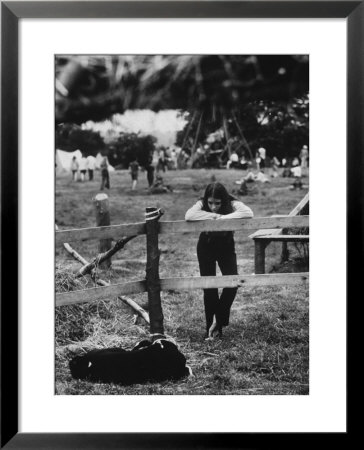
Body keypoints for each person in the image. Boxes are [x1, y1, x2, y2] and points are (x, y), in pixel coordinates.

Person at [185, 182, 253, 340]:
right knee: (209, 287)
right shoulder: (201, 202)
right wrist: (213, 216)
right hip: (206, 245)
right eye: (210, 203)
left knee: (233, 283)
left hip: (226, 245)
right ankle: (212, 330)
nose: (213, 206)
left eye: (218, 203)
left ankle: (219, 320)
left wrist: (223, 218)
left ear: (224, 200)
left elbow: (249, 212)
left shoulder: (233, 202)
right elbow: (189, 216)